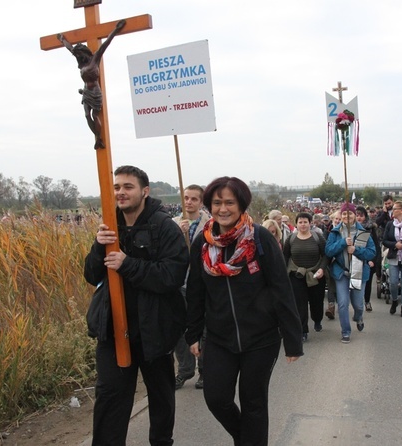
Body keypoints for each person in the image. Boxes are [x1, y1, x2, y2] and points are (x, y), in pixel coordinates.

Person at [185, 176, 303, 446]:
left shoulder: (259, 237)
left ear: (241, 205)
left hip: (261, 339)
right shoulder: (202, 244)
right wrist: (193, 333)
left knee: (254, 402)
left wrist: (293, 339)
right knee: (216, 398)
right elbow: (195, 290)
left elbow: (281, 288)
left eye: (229, 202)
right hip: (219, 337)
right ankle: (246, 438)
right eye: (216, 203)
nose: (223, 209)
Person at [84, 165, 188, 445]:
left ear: (144, 191)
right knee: (110, 398)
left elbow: (171, 275)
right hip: (114, 329)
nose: (120, 192)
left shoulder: (164, 227)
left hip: (154, 329)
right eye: (116, 187)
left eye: (127, 187)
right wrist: (98, 246)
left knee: (161, 396)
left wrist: (128, 265)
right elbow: (92, 276)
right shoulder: (109, 226)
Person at [58, 20, 125, 149]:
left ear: (85, 53)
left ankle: (99, 138)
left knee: (95, 115)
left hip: (95, 92)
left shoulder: (95, 59)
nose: (79, 57)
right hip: (86, 92)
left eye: (80, 54)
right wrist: (62, 40)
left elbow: (106, 43)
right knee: (87, 116)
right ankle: (97, 138)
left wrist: (116, 30)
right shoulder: (82, 63)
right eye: (77, 56)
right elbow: (70, 48)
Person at [172, 185, 210, 390]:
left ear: (201, 202)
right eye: (186, 198)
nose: (189, 202)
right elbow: (165, 252)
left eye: (194, 199)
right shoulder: (173, 224)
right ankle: (185, 370)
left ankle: (204, 370)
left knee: (202, 329)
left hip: (201, 285)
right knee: (180, 329)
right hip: (178, 284)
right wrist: (178, 234)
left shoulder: (210, 225)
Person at [325, 202, 376, 343]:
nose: (347, 216)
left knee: (358, 304)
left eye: (350, 213)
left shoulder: (363, 233)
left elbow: (372, 253)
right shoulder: (335, 232)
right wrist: (342, 243)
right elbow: (328, 251)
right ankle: (345, 331)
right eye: (344, 213)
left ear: (355, 215)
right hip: (341, 272)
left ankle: (359, 317)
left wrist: (356, 250)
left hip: (359, 272)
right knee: (342, 303)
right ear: (341, 216)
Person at [284, 212, 328, 341]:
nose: (303, 225)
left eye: (305, 222)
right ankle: (303, 330)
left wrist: (322, 269)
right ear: (296, 224)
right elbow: (285, 256)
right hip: (296, 274)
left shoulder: (318, 237)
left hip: (315, 274)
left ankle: (317, 319)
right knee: (300, 303)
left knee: (316, 302)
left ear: (310, 223)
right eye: (300, 222)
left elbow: (326, 255)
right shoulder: (291, 239)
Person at [355, 206, 380, 312]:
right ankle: (357, 304)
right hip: (355, 259)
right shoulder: (351, 229)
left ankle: (367, 301)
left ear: (365, 216)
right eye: (357, 215)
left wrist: (372, 260)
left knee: (367, 282)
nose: (359, 218)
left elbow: (375, 246)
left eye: (361, 215)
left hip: (368, 259)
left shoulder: (370, 228)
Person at [325, 211, 341, 320]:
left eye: (340, 219)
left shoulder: (345, 232)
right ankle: (331, 306)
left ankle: (341, 305)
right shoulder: (327, 231)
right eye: (336, 219)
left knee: (339, 284)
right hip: (329, 261)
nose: (338, 221)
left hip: (341, 263)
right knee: (331, 284)